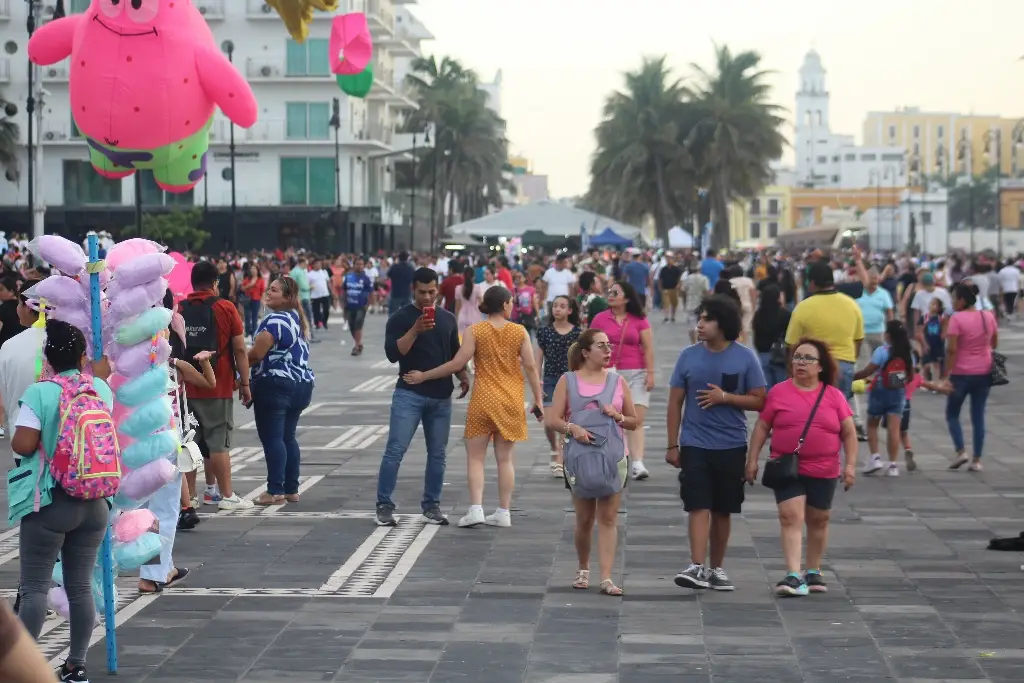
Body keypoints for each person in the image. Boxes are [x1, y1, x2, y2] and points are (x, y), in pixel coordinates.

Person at [10, 320, 112, 683]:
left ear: (47, 358)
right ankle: (77, 664)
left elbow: (22, 444)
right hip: (97, 501)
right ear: (83, 355)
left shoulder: (40, 392)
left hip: (52, 501)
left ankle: (21, 669)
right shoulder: (99, 388)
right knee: (81, 585)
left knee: (35, 587)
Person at [403, 286, 544, 528]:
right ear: (507, 304)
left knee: (476, 458)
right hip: (511, 400)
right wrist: (538, 399)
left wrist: (424, 376)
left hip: (483, 400)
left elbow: (457, 363)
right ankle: (503, 512)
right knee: (505, 459)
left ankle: (476, 509)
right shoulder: (519, 331)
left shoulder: (475, 331)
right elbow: (531, 367)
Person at [666, 295, 766, 592]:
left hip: (731, 444)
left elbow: (760, 400)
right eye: (699, 318)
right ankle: (696, 565)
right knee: (697, 504)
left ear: (723, 324)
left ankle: (717, 569)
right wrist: (673, 445)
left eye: (706, 319)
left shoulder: (745, 357)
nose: (700, 324)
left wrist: (727, 398)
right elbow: (675, 403)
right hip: (695, 443)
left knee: (723, 509)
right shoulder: (688, 356)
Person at [745, 338, 857, 597]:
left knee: (819, 519)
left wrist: (850, 466)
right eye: (797, 357)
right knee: (790, 517)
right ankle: (793, 574)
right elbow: (762, 427)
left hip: (825, 467)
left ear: (820, 367)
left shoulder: (834, 395)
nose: (800, 363)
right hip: (787, 466)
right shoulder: (778, 392)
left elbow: (849, 434)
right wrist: (752, 460)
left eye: (808, 358)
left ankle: (813, 568)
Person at [544, 328, 638, 597]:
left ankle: (607, 577)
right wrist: (572, 428)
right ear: (586, 352)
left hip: (613, 457)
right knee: (584, 519)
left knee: (608, 517)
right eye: (601, 346)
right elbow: (553, 419)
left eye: (609, 346)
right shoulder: (568, 381)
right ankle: (583, 568)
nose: (608, 351)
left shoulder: (618, 382)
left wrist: (617, 415)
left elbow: (634, 421)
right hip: (580, 459)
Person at [375, 268, 469, 527]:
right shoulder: (400, 317)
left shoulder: (448, 318)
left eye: (431, 292)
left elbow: (454, 353)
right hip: (409, 394)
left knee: (438, 454)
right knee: (395, 450)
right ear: (413, 290)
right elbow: (394, 354)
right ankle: (384, 504)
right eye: (422, 292)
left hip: (441, 397)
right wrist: (415, 330)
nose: (428, 297)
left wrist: (463, 376)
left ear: (437, 289)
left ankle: (432, 505)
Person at [179, 261, 253, 510]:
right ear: (215, 283)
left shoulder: (179, 309)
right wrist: (244, 382)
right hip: (218, 386)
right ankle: (227, 495)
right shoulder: (225, 307)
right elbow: (240, 349)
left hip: (186, 387)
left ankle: (190, 495)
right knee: (218, 442)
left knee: (189, 443)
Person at [248, 276, 315, 505]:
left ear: (287, 297)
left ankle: (275, 490)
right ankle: (291, 489)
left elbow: (257, 354)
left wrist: (236, 365)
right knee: (288, 437)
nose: (268, 292)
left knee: (273, 438)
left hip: (276, 384)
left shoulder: (275, 320)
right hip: (301, 386)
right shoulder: (297, 320)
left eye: (274, 290)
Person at [786, 261, 866, 439]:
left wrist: (792, 370)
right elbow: (859, 339)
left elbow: (792, 345)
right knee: (839, 417)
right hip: (844, 366)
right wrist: (851, 359)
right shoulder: (851, 305)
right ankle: (836, 458)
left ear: (812, 283)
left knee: (812, 416)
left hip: (813, 367)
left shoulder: (803, 308)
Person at [589, 281, 654, 481]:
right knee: (609, 419)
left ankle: (637, 462)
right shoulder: (600, 319)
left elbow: (648, 347)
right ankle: (615, 458)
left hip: (636, 371)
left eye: (615, 292)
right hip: (607, 373)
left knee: (636, 417)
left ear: (626, 298)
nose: (610, 294)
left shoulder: (639, 319)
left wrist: (650, 373)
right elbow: (589, 344)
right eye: (609, 292)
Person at [943, 282, 998, 472]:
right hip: (984, 372)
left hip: (960, 373)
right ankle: (977, 460)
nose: (952, 302)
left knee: (952, 414)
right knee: (978, 416)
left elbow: (951, 349)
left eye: (954, 299)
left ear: (962, 300)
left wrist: (946, 374)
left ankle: (961, 452)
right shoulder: (988, 316)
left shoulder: (956, 319)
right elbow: (994, 342)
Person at [854, 320, 915, 477]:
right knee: (894, 429)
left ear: (888, 335)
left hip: (880, 391)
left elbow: (868, 371)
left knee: (872, 424)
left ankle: (875, 457)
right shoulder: (908, 354)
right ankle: (892, 464)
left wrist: (852, 377)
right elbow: (910, 377)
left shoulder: (882, 351)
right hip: (898, 393)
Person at [535, 295, 581, 478]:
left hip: (570, 379)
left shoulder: (578, 333)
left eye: (562, 306)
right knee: (548, 421)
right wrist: (536, 380)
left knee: (565, 419)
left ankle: (560, 458)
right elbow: (538, 358)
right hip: (550, 379)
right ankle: (554, 447)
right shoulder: (544, 332)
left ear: (570, 310)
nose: (558, 309)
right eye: (555, 306)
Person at [0, 293, 45, 461]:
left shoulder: (9, 346)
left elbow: (5, 394)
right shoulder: (68, 340)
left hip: (21, 436)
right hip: (63, 442)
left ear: (27, 307)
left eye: (19, 305)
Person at [752, 283, 791, 388]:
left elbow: (755, 334)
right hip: (780, 356)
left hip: (763, 354)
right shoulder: (785, 314)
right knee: (782, 389)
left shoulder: (758, 314)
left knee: (767, 389)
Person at [342, 256, 373, 357]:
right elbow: (344, 291)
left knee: (358, 324)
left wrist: (368, 305)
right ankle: (359, 343)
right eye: (357, 264)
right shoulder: (348, 277)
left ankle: (356, 346)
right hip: (350, 305)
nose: (359, 266)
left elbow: (371, 292)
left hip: (361, 306)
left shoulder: (366, 279)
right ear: (353, 265)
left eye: (361, 264)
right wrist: (343, 304)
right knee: (352, 326)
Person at [289, 257, 315, 343]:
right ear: (302, 263)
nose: (306, 266)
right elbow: (304, 286)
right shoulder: (299, 272)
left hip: (296, 297)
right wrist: (310, 287)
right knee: (307, 317)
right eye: (305, 264)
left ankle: (300, 334)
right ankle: (309, 335)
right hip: (304, 297)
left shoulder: (292, 272)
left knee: (299, 316)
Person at [682, 263, 710, 344]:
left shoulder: (688, 278)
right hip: (701, 303)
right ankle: (700, 341)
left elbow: (683, 290)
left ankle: (693, 342)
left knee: (691, 325)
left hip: (690, 303)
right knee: (701, 322)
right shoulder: (704, 278)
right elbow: (706, 291)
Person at [240, 263, 266, 340]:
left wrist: (263, 299)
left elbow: (263, 291)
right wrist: (250, 285)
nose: (253, 271)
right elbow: (242, 288)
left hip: (256, 300)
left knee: (255, 317)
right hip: (247, 299)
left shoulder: (261, 280)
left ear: (257, 271)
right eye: (252, 269)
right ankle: (247, 331)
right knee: (247, 316)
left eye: (255, 269)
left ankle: (254, 332)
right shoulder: (247, 279)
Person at [387, 252, 416, 316]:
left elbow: (389, 275)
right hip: (407, 293)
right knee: (407, 313)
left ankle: (392, 325)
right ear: (407, 258)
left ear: (398, 258)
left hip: (395, 292)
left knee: (392, 313)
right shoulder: (410, 268)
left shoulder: (394, 267)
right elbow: (414, 279)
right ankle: (405, 325)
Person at [0, 276, 25, 350]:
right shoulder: (23, 306)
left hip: (6, 347)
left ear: (11, 291)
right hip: (22, 345)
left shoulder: (3, 309)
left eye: (1, 289)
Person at [308, 258, 332, 331]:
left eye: (319, 264)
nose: (319, 265)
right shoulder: (309, 274)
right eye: (317, 264)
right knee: (316, 311)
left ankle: (324, 321)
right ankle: (317, 323)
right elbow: (307, 285)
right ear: (313, 265)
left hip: (325, 294)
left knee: (326, 310)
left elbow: (328, 282)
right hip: (315, 295)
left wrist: (332, 291)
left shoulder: (324, 272)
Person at [658, 255, 683, 323]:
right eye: (668, 260)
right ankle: (666, 316)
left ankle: (673, 316)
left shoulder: (676, 269)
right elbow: (660, 279)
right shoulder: (663, 269)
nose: (669, 261)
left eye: (670, 260)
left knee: (674, 303)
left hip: (674, 288)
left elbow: (680, 278)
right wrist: (660, 287)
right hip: (665, 288)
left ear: (673, 261)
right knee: (666, 303)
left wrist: (678, 285)